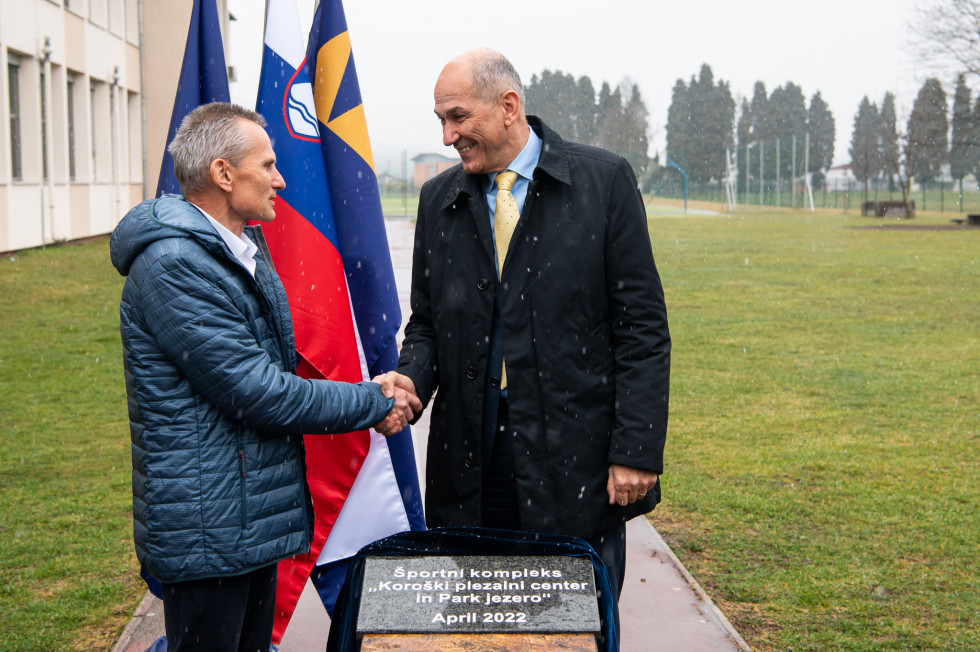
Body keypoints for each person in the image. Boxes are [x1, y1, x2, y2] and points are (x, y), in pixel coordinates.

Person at [109, 102, 419, 652]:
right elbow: (259, 392)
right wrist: (374, 401)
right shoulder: (174, 264)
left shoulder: (239, 248)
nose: (280, 178)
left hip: (246, 516)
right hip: (208, 525)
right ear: (223, 174)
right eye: (268, 164)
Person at [388, 49, 671, 632]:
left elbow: (640, 327)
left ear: (509, 106)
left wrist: (636, 449)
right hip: (469, 457)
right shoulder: (438, 201)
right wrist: (412, 378)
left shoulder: (603, 181)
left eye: (459, 117)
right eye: (440, 119)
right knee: (474, 628)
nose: (447, 136)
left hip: (575, 458)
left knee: (570, 624)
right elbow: (427, 324)